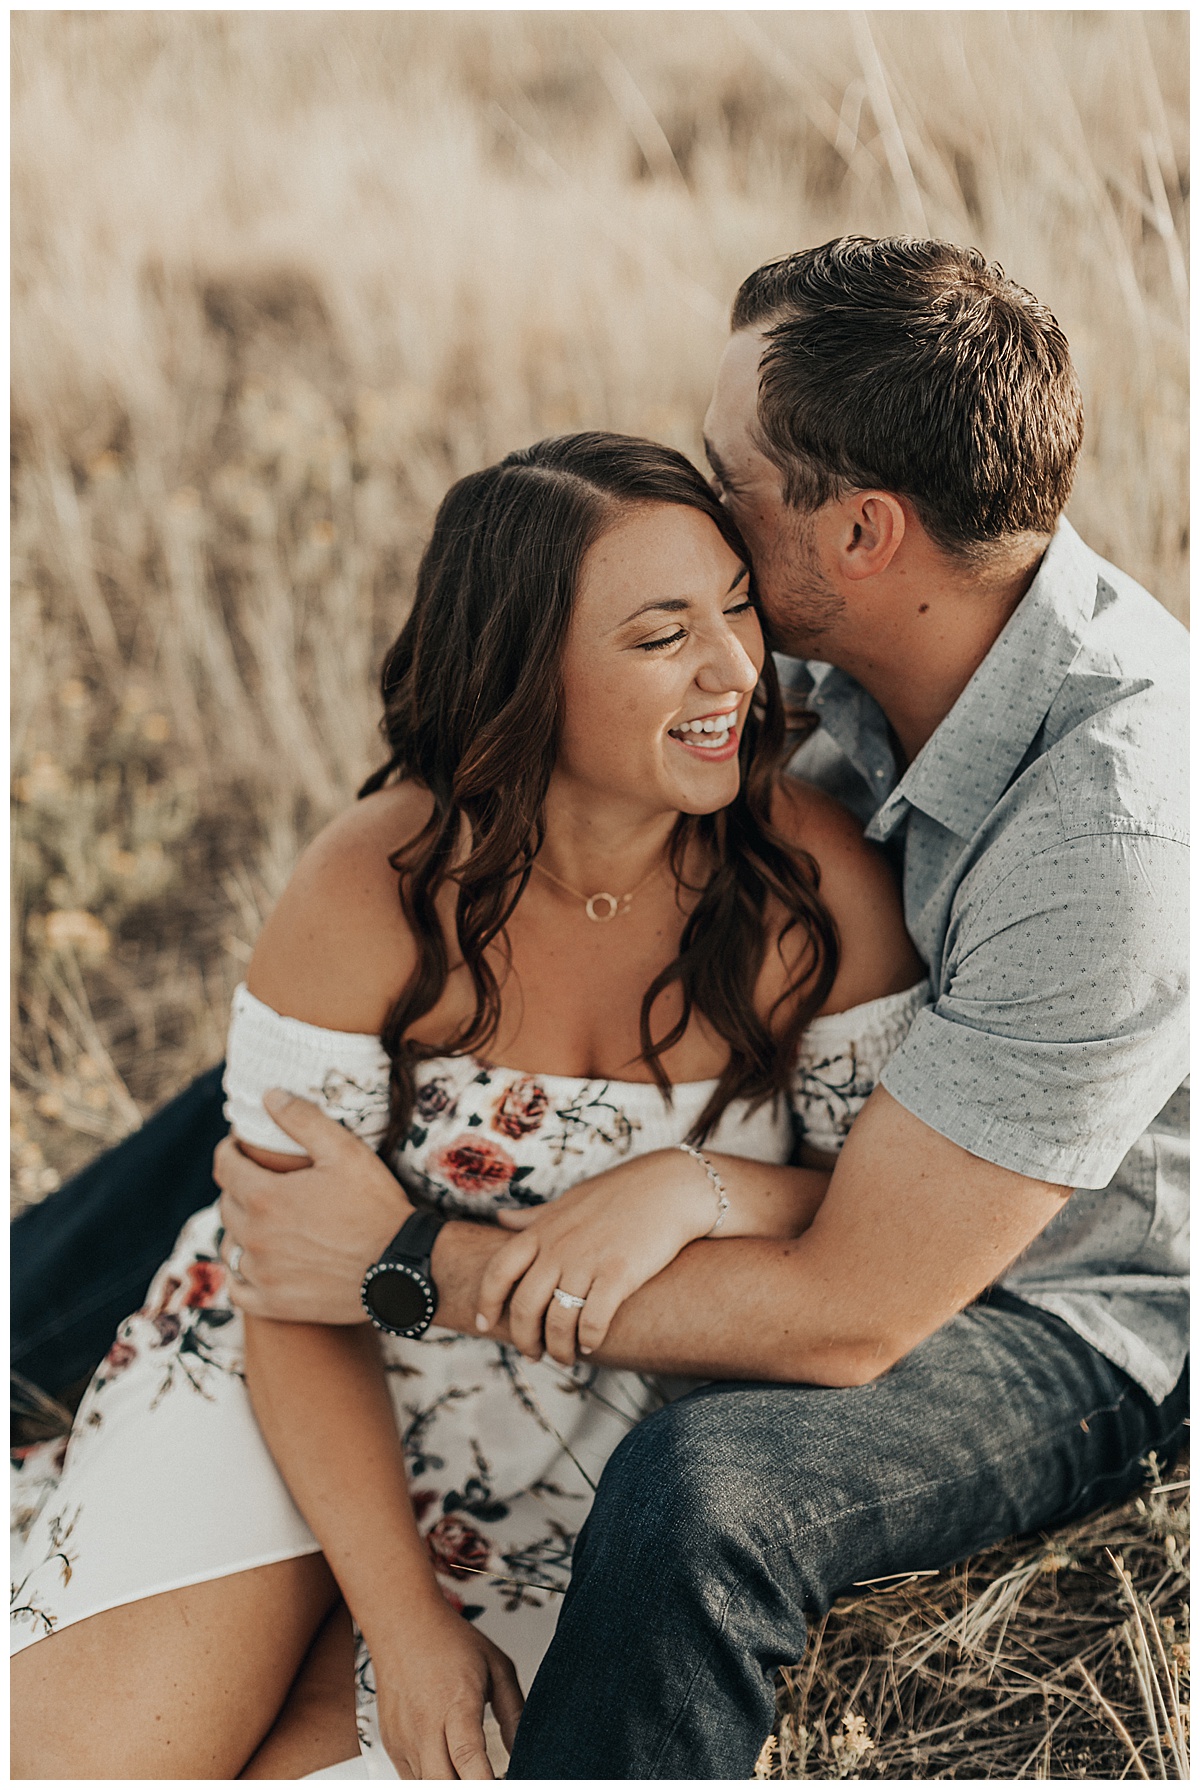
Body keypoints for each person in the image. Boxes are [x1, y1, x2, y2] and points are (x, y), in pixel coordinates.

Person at [11, 237, 1188, 1780]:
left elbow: (857, 1300)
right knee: (326, 1099)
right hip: (734, 1199)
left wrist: (410, 1264)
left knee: (702, 1487)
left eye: (733, 476)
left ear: (863, 526)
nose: (713, 508)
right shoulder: (842, 647)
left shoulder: (1114, 828)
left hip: (1060, 1289)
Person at [12, 430, 931, 1777]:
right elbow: (284, 1275)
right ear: (526, 676)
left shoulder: (814, 888)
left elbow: (886, 1216)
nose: (736, 669)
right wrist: (405, 1621)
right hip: (289, 1385)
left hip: (574, 1440)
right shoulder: (371, 883)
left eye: (736, 606)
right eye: (660, 633)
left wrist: (693, 1183)